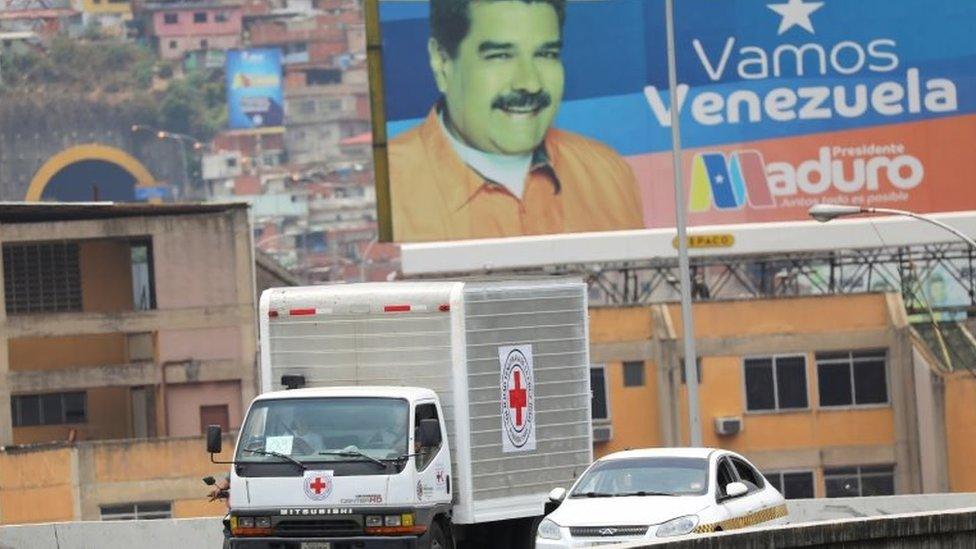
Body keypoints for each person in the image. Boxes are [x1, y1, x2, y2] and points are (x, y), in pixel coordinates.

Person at [389, 0, 644, 242]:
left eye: (546, 54)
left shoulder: (608, 176)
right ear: (442, 62)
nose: (530, 83)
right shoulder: (387, 192)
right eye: (500, 55)